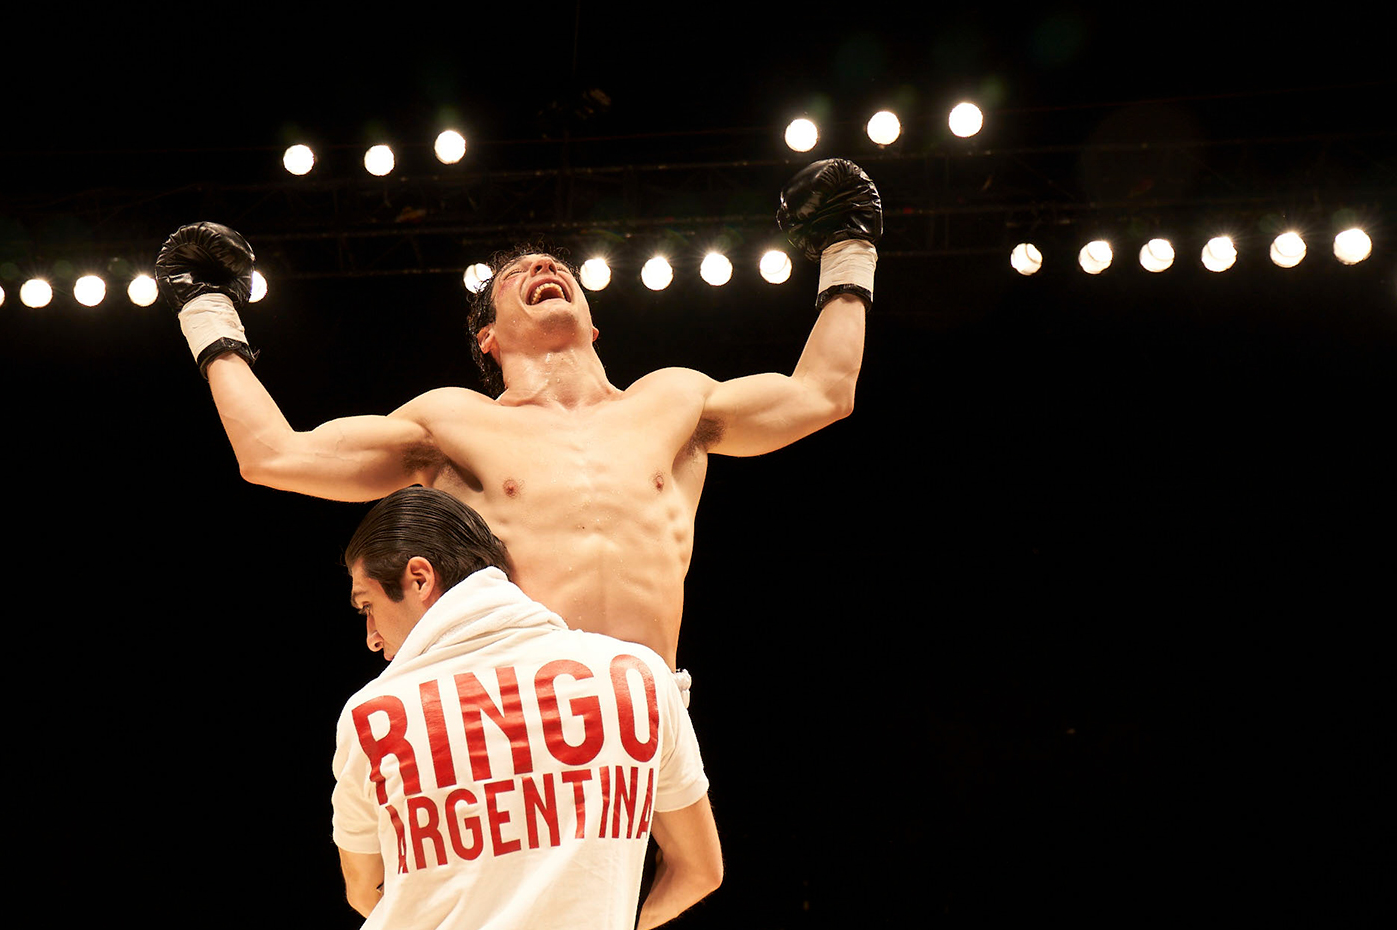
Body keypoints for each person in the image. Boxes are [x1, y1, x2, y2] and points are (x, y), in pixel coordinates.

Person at [157, 159, 881, 670]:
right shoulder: (453, 424)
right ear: (488, 338)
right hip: (524, 716)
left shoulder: (674, 400)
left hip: (652, 706)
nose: (545, 268)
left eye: (557, 267)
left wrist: (849, 247)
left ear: (593, 324)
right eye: (517, 274)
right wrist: (205, 309)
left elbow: (823, 393)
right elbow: (275, 455)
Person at [303, 485, 720, 930]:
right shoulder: (640, 678)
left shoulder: (373, 715)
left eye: (366, 605)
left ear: (419, 578)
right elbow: (700, 870)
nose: (371, 636)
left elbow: (365, 889)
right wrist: (583, 924)